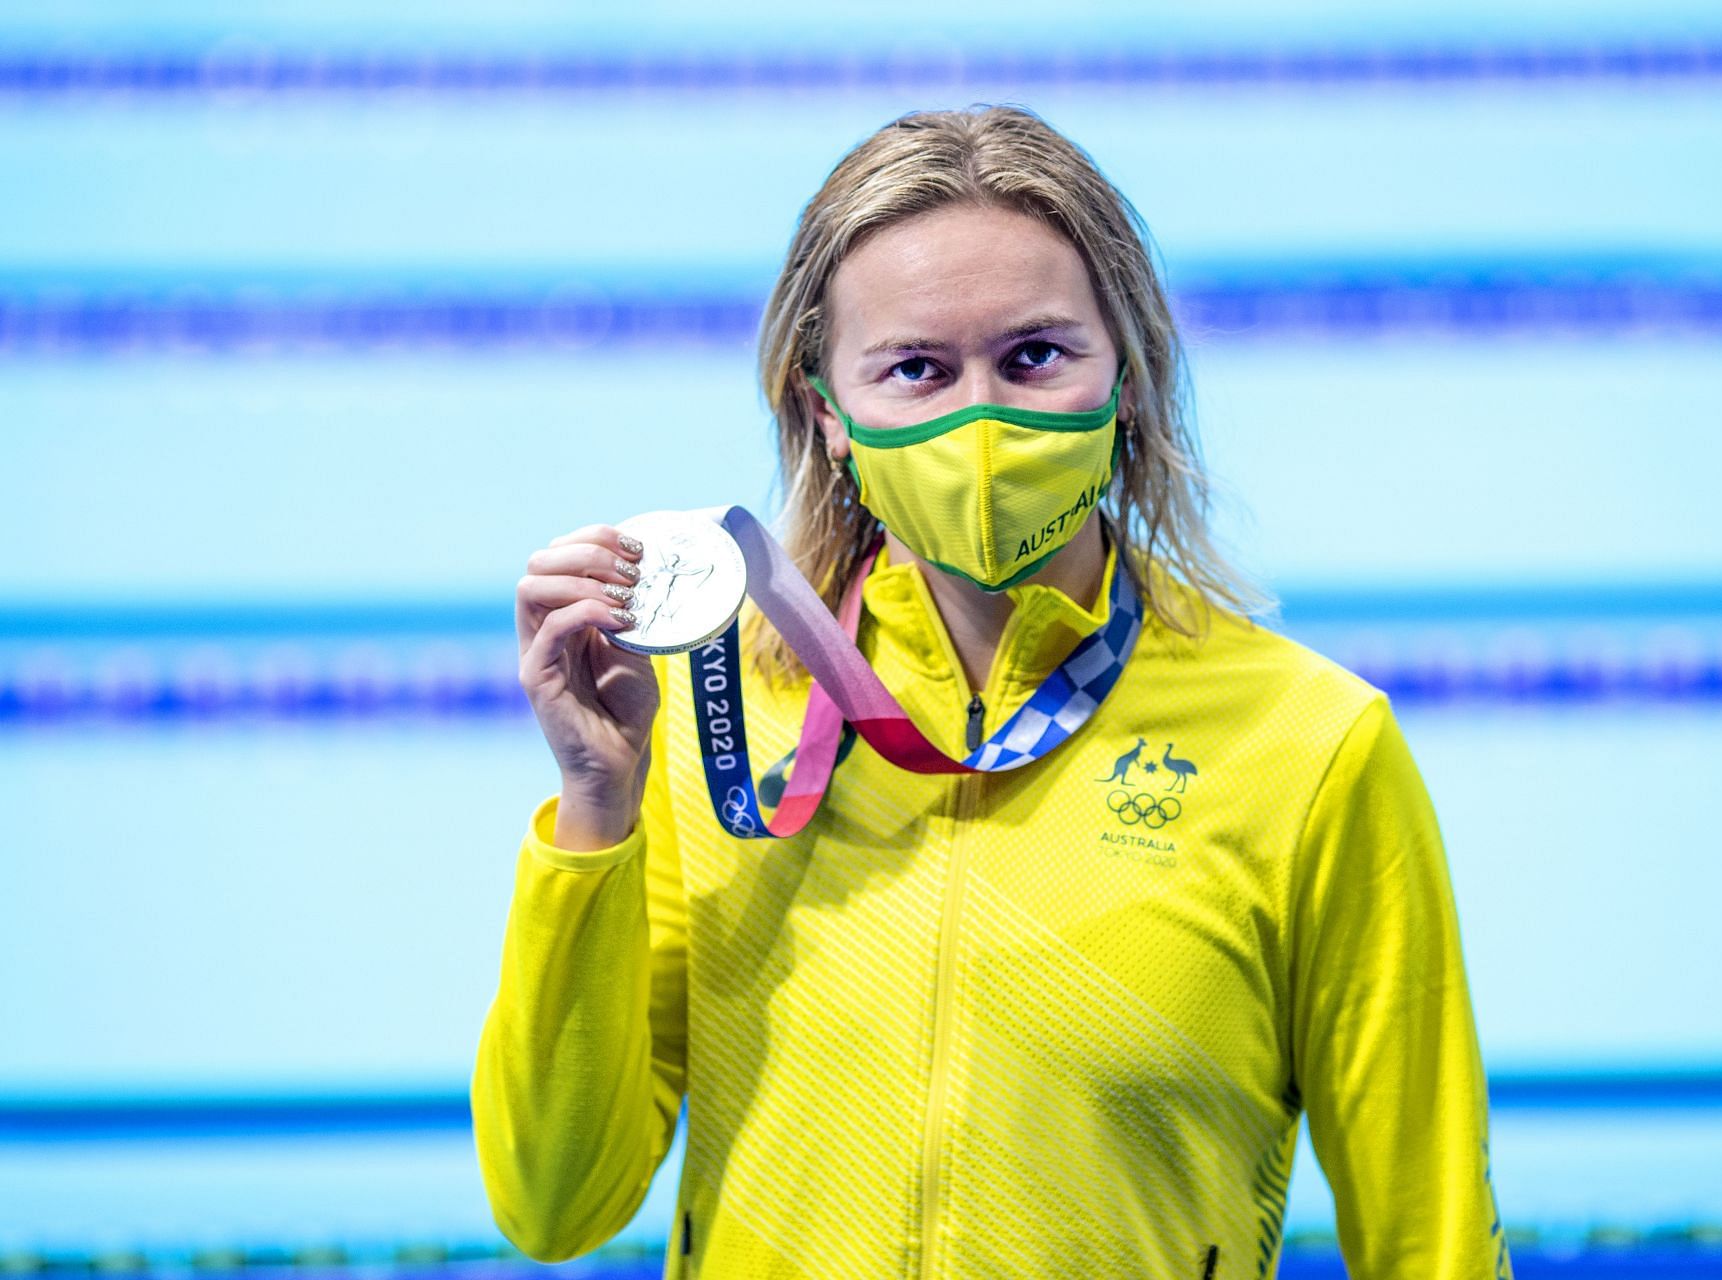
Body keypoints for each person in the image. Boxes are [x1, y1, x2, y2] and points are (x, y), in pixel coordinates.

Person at [472, 105, 1512, 1279]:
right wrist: (596, 809)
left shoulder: (1308, 746)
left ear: (1127, 375)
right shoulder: (712, 733)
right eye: (916, 368)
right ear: (831, 411)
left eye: (1034, 356)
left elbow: (1430, 1239)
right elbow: (552, 1203)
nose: (981, 418)